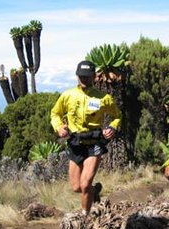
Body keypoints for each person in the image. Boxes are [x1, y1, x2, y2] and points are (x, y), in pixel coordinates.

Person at [50, 60, 121, 216]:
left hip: (94, 143)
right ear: (77, 76)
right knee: (77, 187)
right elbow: (55, 114)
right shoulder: (68, 95)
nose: (84, 79)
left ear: (94, 77)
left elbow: (117, 116)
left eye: (87, 76)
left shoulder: (104, 98)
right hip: (75, 143)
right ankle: (94, 192)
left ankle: (85, 216)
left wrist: (113, 127)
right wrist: (59, 127)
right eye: (81, 76)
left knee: (85, 182)